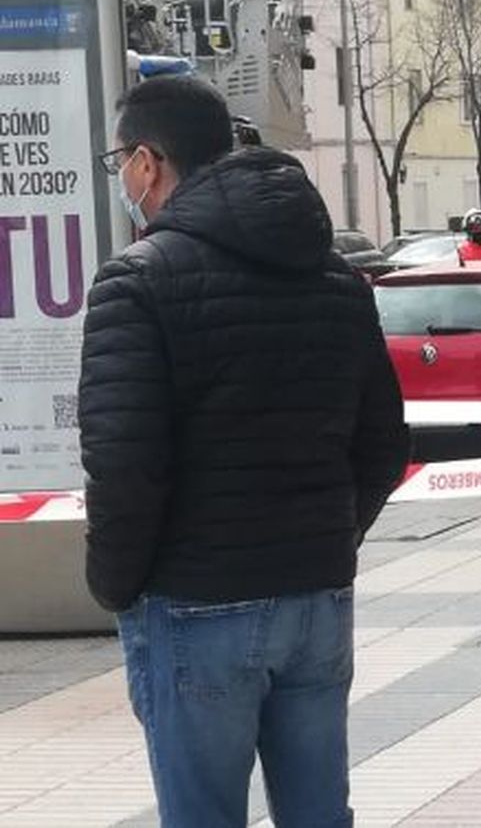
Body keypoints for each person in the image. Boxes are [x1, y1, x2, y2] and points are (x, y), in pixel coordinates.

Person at [80, 76, 410, 826]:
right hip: (316, 597)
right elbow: (384, 443)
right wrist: (327, 536)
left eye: (119, 163)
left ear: (146, 162)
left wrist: (115, 585)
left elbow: (123, 464)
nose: (123, 179)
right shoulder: (336, 279)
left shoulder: (136, 282)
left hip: (195, 599)